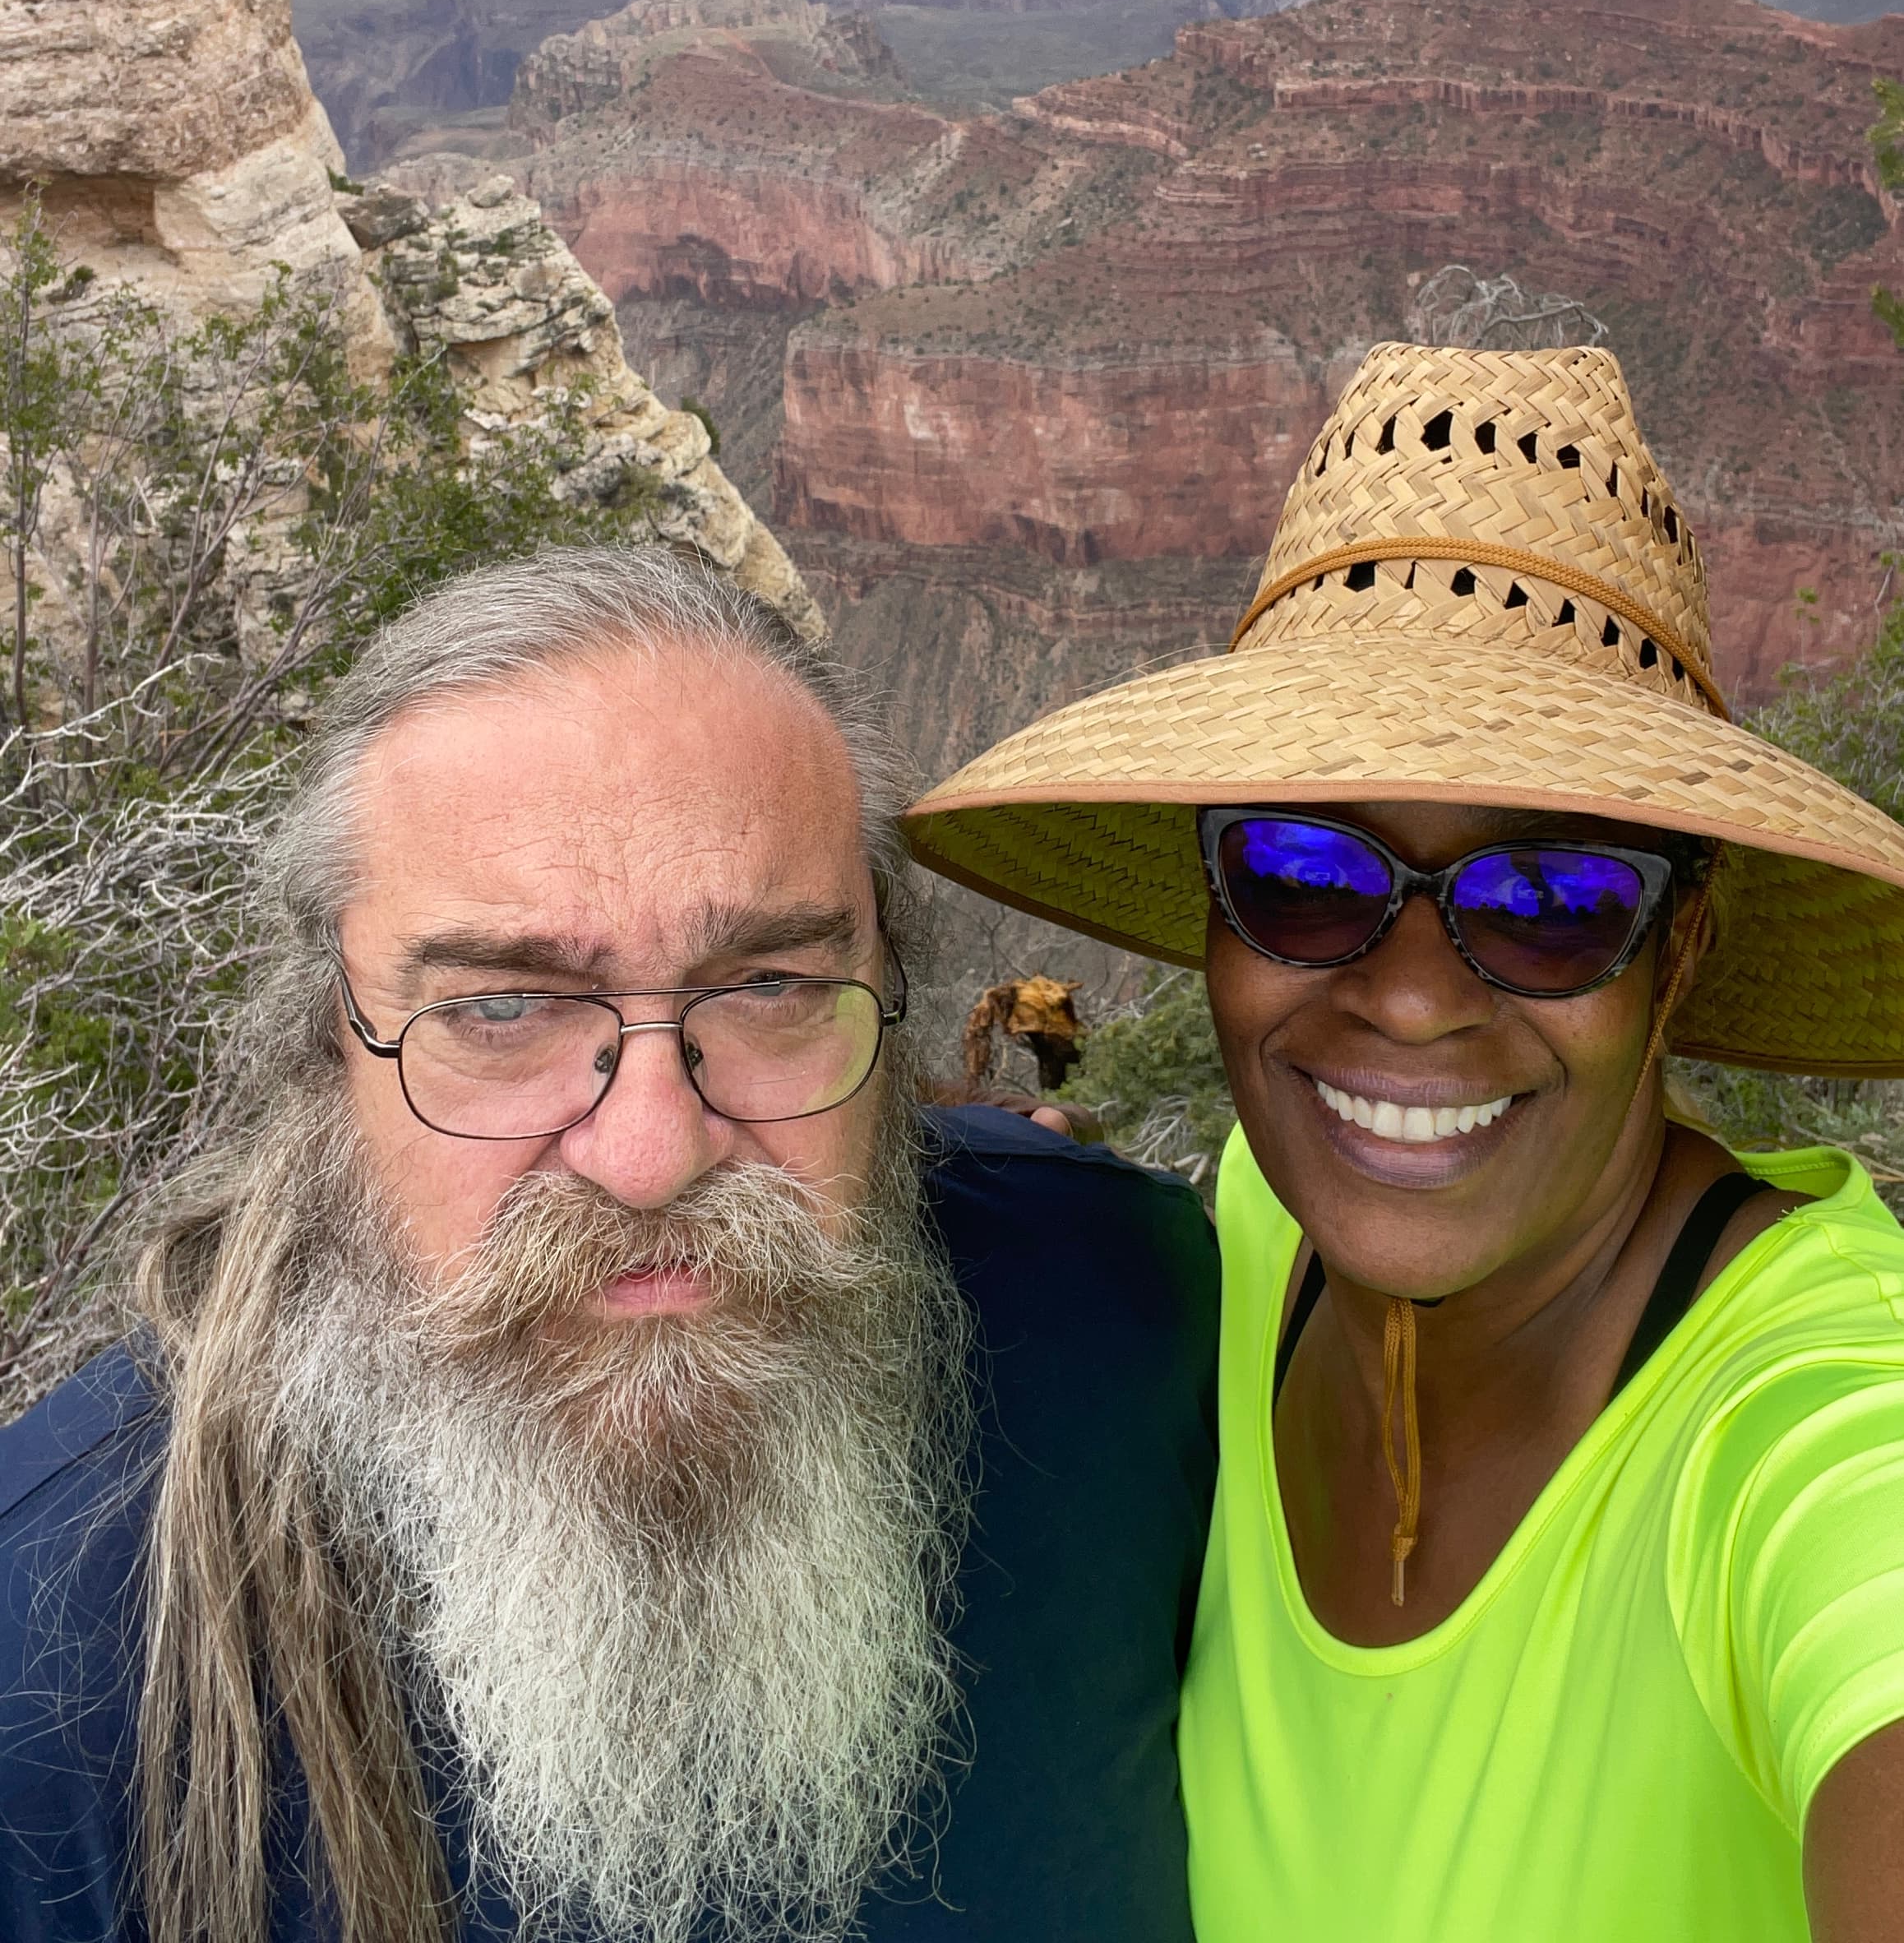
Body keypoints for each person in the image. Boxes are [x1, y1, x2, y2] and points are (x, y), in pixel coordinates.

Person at [0, 548, 1217, 1943]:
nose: (650, 1157)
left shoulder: (1128, 1320)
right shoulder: (53, 1660)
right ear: (325, 1045)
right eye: (505, 1010)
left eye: (768, 985)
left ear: (890, 1000)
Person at [905, 340, 1904, 1942]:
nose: (1418, 1000)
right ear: (1214, 906)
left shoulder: (1813, 1423)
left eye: (1554, 901)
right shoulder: (1236, 1243)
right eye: (1308, 870)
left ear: (1683, 951)